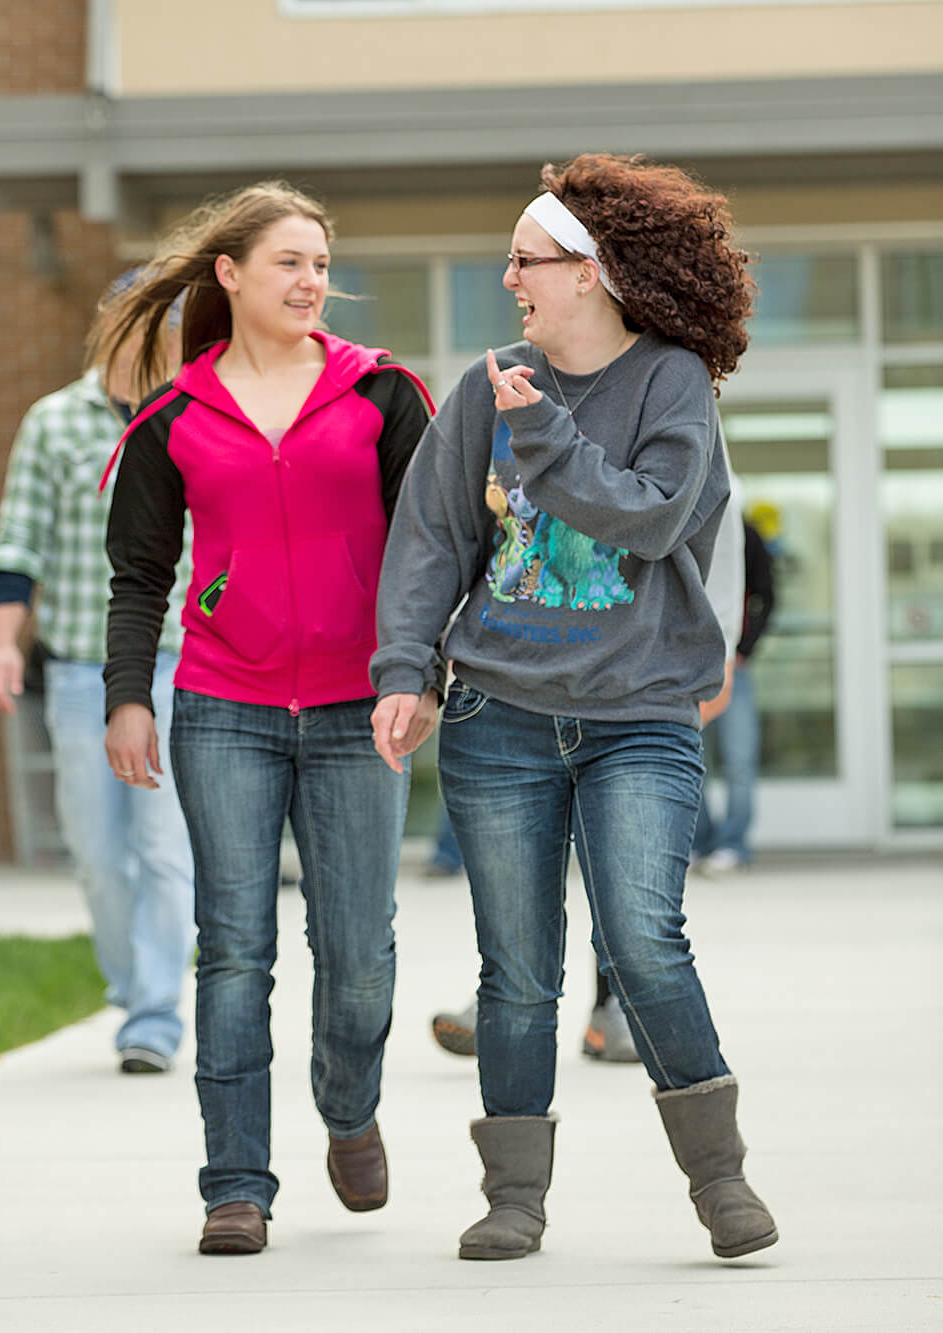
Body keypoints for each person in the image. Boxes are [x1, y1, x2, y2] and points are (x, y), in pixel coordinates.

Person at [370, 154, 778, 1262]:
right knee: (515, 964)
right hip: (496, 713)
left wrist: (542, 432)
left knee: (644, 942)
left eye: (525, 260)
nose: (508, 279)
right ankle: (514, 1197)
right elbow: (431, 541)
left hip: (638, 712)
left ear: (590, 273)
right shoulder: (483, 383)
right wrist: (403, 670)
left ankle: (720, 1180)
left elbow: (645, 520)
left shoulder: (671, 383)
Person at [95, 181, 436, 1255]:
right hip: (223, 706)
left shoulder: (381, 394)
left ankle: (348, 1106)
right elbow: (138, 574)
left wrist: (415, 672)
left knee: (358, 951)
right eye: (289, 261)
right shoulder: (174, 417)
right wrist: (125, 699)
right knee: (233, 950)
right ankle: (234, 1183)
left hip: (357, 707)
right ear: (230, 275)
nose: (311, 281)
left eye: (321, 264)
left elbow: (431, 548)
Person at [431, 486, 747, 1064]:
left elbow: (719, 570)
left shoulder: (689, 435)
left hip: (638, 702)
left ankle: (616, 1009)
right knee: (520, 902)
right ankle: (504, 1004)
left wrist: (703, 673)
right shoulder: (522, 426)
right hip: (527, 693)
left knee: (627, 897)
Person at [0, 274, 195, 1075]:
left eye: (168, 328)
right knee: (98, 853)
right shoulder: (53, 422)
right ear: (113, 326)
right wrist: (4, 643)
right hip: (77, 670)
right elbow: (17, 546)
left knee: (164, 846)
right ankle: (135, 977)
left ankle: (152, 1015)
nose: (158, 342)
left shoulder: (194, 416)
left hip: (176, 662)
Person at [693, 514, 776, 873]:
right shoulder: (685, 523)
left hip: (733, 666)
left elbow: (767, 596)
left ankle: (734, 845)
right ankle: (699, 843)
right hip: (689, 668)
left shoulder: (746, 534)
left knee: (740, 760)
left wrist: (743, 649)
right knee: (691, 760)